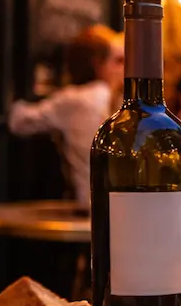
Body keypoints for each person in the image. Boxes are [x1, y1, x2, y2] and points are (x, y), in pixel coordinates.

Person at [8, 25, 124, 209]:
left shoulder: (78, 99)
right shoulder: (100, 98)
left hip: (92, 205)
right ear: (97, 64)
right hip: (115, 205)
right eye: (118, 61)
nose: (124, 69)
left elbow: (18, 120)